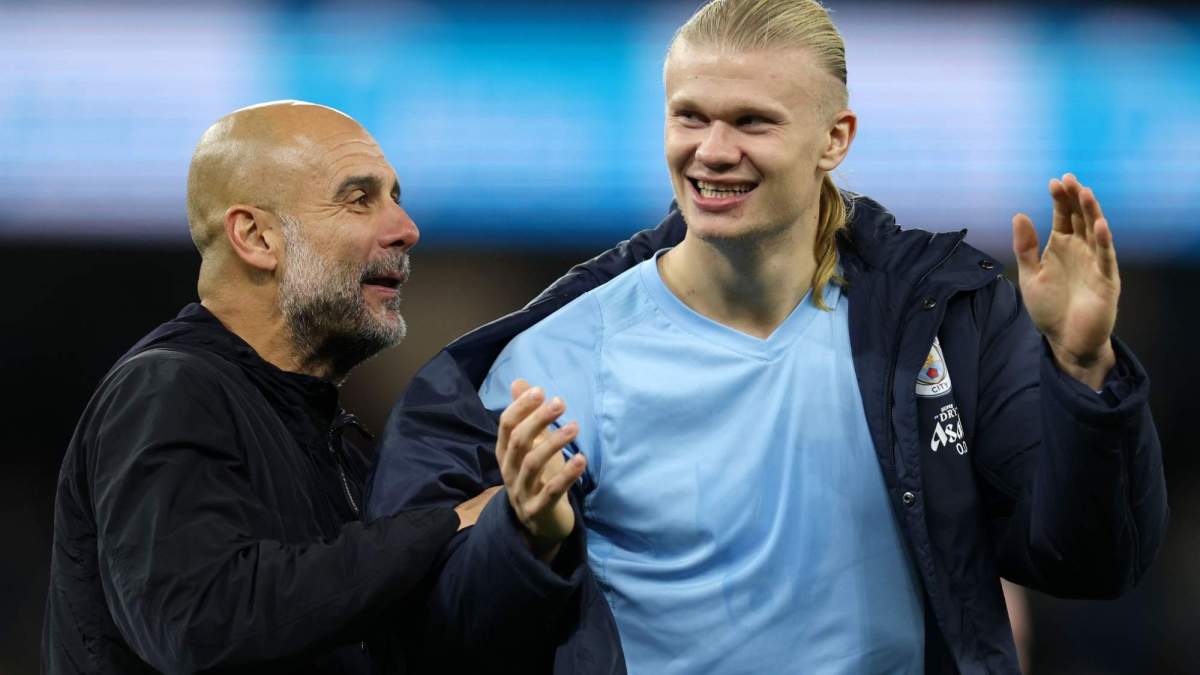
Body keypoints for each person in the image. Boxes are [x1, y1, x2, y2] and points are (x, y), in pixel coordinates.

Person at [367, 1, 1168, 673]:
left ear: (835, 139)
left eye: (752, 121)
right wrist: (525, 538)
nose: (713, 151)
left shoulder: (945, 325)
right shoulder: (557, 357)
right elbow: (437, 637)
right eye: (691, 116)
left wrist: (1082, 368)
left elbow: (1088, 559)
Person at [41, 100, 498, 674]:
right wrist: (448, 525)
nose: (406, 230)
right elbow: (197, 618)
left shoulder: (328, 432)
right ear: (256, 237)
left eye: (396, 199)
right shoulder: (168, 389)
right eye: (359, 200)